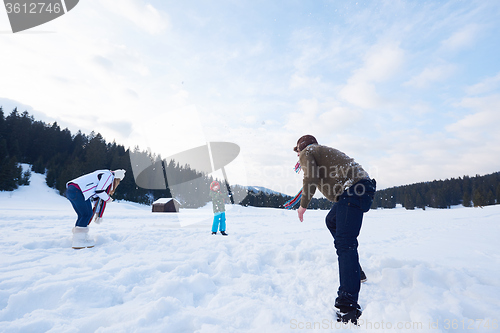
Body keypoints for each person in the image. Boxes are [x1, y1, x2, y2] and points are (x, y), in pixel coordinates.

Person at [293, 135, 376, 325]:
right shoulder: (321, 152)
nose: (297, 155)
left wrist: (303, 205)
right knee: (332, 220)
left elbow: (310, 178)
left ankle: (348, 307)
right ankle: (355, 271)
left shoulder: (309, 151)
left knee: (345, 243)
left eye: (297, 151)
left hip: (353, 190)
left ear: (302, 147)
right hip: (359, 189)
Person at [66, 169, 126, 249]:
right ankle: (79, 241)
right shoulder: (109, 175)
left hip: (71, 190)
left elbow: (95, 198)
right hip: (78, 191)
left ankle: (77, 238)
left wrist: (97, 212)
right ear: (116, 179)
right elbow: (100, 191)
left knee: (82, 215)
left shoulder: (102, 173)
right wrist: (108, 199)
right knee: (86, 215)